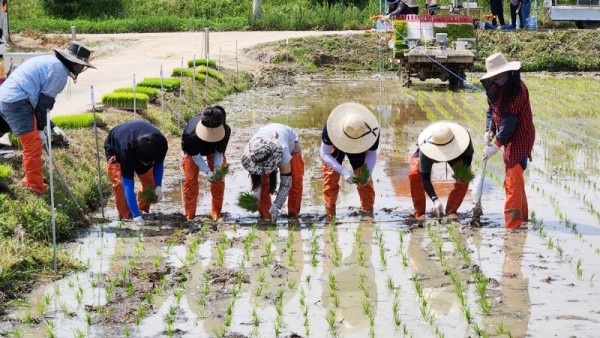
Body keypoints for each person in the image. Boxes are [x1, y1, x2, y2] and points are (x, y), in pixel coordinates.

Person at [0, 41, 95, 194]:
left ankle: (29, 179)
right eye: (80, 65)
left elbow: (40, 106)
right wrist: (41, 129)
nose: (80, 68)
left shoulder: (49, 61)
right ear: (73, 62)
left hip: (6, 97)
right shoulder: (60, 73)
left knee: (28, 139)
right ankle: (34, 186)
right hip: (17, 101)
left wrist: (50, 126)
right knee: (33, 144)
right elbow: (44, 104)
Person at [480, 53, 535, 229]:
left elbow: (509, 122)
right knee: (516, 180)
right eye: (494, 76)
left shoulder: (518, 89)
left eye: (499, 75)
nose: (496, 78)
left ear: (507, 72)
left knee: (512, 180)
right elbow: (491, 111)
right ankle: (522, 218)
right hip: (506, 132)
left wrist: (496, 145)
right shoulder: (494, 87)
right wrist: (489, 130)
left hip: (520, 136)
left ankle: (513, 225)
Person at [320, 102, 380, 221]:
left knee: (363, 178)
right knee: (331, 175)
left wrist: (367, 172)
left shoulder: (372, 132)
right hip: (338, 144)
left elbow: (371, 154)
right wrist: (343, 171)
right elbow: (324, 154)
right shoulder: (331, 129)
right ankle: (330, 214)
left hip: (359, 145)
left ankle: (367, 213)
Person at [104, 120, 168, 226]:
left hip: (140, 143)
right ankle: (127, 216)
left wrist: (158, 186)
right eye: (146, 162)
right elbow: (128, 185)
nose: (148, 164)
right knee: (120, 183)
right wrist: (136, 215)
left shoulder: (161, 143)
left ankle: (142, 209)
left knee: (150, 184)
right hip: (115, 146)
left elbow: (158, 164)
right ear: (138, 158)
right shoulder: (126, 152)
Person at [408, 121, 474, 220]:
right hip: (431, 153)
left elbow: (468, 158)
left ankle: (451, 211)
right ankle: (419, 212)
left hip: (455, 153)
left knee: (464, 177)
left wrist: (462, 174)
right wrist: (435, 200)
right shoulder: (426, 150)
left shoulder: (464, 141)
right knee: (414, 174)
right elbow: (424, 178)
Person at [241, 123, 304, 222]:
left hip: (289, 140)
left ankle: (293, 216)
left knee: (295, 180)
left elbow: (286, 184)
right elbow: (257, 176)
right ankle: (266, 216)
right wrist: (256, 194)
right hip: (266, 135)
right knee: (263, 183)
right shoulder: (253, 149)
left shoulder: (283, 153)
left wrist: (277, 205)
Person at [181, 106, 231, 221]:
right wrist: (208, 171)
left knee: (219, 180)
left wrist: (217, 167)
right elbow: (196, 157)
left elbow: (219, 152)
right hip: (194, 152)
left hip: (212, 150)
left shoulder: (225, 130)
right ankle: (190, 213)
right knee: (190, 181)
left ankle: (216, 211)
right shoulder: (190, 134)